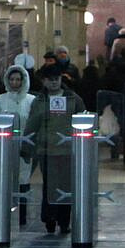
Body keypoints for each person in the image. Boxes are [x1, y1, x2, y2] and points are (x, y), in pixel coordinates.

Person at [26, 64, 87, 234]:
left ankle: (64, 220)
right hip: (46, 150)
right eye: (49, 79)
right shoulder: (39, 101)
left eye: (57, 79)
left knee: (66, 186)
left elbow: (84, 119)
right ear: (44, 81)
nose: (53, 83)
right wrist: (25, 146)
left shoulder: (73, 99)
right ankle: (49, 218)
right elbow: (32, 124)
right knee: (49, 186)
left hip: (68, 149)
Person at [0, 64, 37, 219]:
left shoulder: (31, 100)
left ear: (23, 81)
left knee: (23, 178)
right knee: (5, 178)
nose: (15, 82)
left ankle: (22, 213)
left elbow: (34, 124)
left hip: (24, 146)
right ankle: (4, 212)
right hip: (4, 146)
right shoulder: (1, 100)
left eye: (18, 79)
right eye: (12, 79)